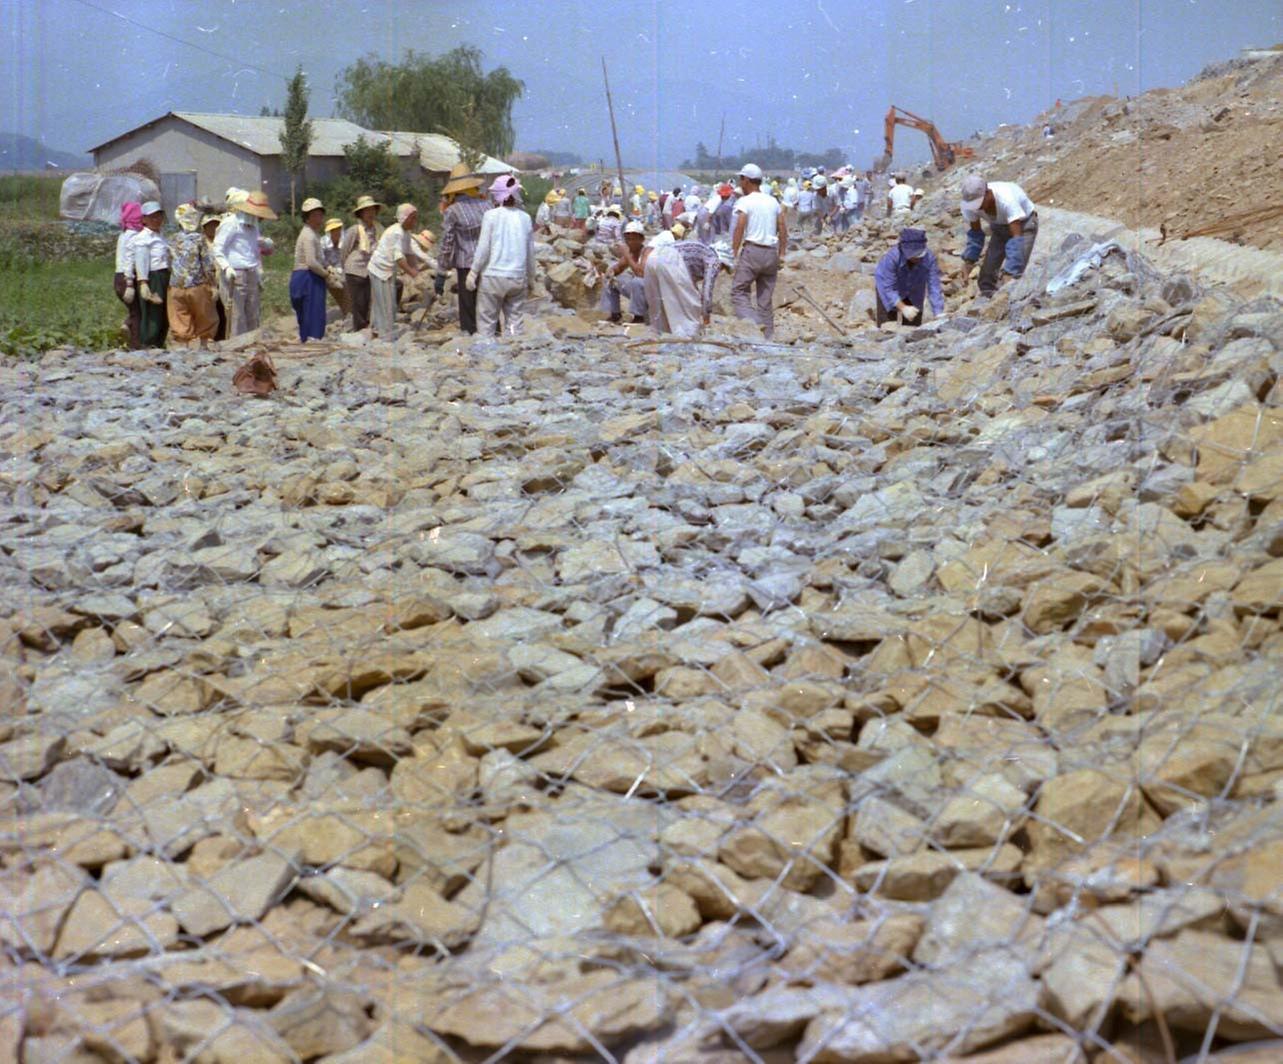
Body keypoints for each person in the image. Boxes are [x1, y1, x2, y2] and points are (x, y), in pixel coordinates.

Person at [468, 174, 536, 337]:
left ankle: (487, 354)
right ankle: (513, 351)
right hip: (517, 279)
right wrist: (532, 277)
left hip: (492, 278)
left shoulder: (491, 216)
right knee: (514, 322)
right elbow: (530, 252)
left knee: (487, 322)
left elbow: (483, 248)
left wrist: (473, 272)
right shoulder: (525, 218)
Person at [731, 163, 787, 340]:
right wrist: (782, 253)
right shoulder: (772, 201)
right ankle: (768, 336)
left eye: (741, 179)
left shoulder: (745, 201)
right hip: (771, 252)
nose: (740, 182)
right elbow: (782, 227)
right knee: (765, 299)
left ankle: (754, 325)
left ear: (747, 180)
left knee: (738, 291)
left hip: (753, 250)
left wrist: (734, 251)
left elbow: (740, 226)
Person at [959, 174, 1039, 299]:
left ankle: (1014, 301)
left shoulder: (1006, 198)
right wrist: (969, 261)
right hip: (999, 226)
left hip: (1023, 225)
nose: (977, 208)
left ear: (988, 193)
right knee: (986, 276)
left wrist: (1010, 272)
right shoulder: (969, 206)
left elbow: (1016, 239)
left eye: (979, 204)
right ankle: (988, 301)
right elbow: (976, 235)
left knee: (1015, 273)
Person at [435, 166, 489, 335]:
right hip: (488, 263)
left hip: (466, 264)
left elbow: (447, 242)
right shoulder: (487, 205)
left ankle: (471, 338)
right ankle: (494, 338)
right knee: (488, 305)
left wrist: (441, 271)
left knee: (468, 306)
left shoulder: (452, 211)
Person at [643, 223, 724, 337]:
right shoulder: (714, 259)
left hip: (654, 257)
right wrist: (706, 316)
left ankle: (660, 336)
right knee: (690, 307)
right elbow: (707, 291)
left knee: (661, 303)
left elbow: (688, 281)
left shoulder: (702, 250)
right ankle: (686, 338)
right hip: (671, 260)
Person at [213, 189, 275, 335]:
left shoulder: (254, 227)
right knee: (237, 316)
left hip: (251, 272)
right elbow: (217, 248)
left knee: (253, 314)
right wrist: (226, 267)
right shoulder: (230, 223)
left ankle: (251, 346)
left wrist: (265, 243)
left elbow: (252, 248)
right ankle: (236, 349)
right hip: (235, 274)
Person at [368, 203, 427, 338]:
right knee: (385, 302)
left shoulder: (406, 233)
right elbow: (399, 258)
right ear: (404, 218)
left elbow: (410, 254)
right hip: (380, 269)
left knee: (386, 300)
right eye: (412, 218)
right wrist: (414, 274)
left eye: (415, 218)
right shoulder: (396, 232)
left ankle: (379, 329)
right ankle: (383, 332)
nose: (414, 221)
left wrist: (417, 271)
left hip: (387, 270)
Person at [166, 202, 218, 345]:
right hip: (197, 284)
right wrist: (213, 285)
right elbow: (207, 264)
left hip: (176, 285)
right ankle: (204, 345)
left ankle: (184, 347)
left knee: (180, 318)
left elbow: (168, 262)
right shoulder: (199, 239)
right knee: (205, 317)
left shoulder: (172, 239)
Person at [874, 227, 944, 328]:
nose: (917, 258)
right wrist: (903, 307)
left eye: (919, 254)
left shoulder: (929, 258)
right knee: (887, 325)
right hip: (888, 287)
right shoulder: (892, 258)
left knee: (913, 325)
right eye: (913, 254)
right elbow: (889, 288)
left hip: (914, 288)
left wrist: (938, 312)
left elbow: (934, 286)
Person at [340, 194, 384, 331]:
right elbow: (345, 250)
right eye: (367, 211)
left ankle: (366, 327)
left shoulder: (378, 229)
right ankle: (359, 329)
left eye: (372, 210)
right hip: (355, 269)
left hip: (370, 269)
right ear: (361, 213)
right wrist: (344, 269)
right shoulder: (355, 230)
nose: (370, 213)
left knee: (367, 300)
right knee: (358, 302)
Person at [290, 197, 330, 342]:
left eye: (320, 215)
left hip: (311, 275)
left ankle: (310, 338)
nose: (319, 218)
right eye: (315, 215)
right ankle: (311, 339)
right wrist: (326, 274)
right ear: (307, 217)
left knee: (313, 311)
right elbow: (311, 262)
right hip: (307, 276)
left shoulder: (314, 234)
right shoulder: (308, 235)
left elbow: (318, 258)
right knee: (312, 311)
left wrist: (327, 266)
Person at [131, 200, 170, 349]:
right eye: (152, 217)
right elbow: (141, 261)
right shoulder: (143, 239)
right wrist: (143, 282)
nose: (157, 220)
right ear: (144, 220)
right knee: (153, 312)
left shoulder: (160, 235)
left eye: (159, 216)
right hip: (153, 276)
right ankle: (148, 342)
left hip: (164, 275)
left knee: (163, 311)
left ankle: (159, 343)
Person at [603, 220, 648, 323]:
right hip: (638, 292)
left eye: (633, 239)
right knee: (611, 279)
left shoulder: (647, 252)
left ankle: (639, 316)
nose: (630, 242)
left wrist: (627, 255)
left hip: (650, 292)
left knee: (637, 281)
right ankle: (614, 313)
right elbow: (618, 268)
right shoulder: (631, 253)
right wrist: (610, 272)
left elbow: (641, 273)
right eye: (628, 239)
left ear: (641, 239)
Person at [113, 202, 143, 349]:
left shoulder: (123, 234)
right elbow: (131, 260)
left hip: (118, 277)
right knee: (138, 312)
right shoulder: (135, 235)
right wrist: (130, 283)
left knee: (133, 310)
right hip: (127, 277)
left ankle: (127, 325)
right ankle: (136, 345)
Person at [200, 210, 227, 341]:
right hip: (205, 281)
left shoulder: (222, 243)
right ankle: (206, 337)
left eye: (216, 225)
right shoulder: (201, 243)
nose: (213, 228)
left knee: (222, 311)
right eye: (210, 225)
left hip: (222, 280)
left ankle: (220, 337)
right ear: (204, 227)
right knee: (207, 311)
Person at [321, 218, 348, 315]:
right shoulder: (323, 242)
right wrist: (329, 267)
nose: (336, 232)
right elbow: (321, 258)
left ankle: (347, 311)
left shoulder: (346, 241)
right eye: (333, 230)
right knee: (336, 286)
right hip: (329, 272)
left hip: (344, 270)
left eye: (338, 229)